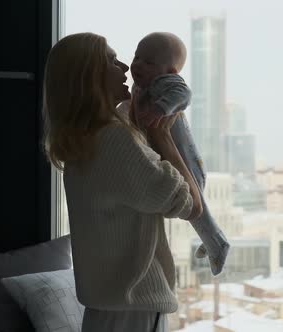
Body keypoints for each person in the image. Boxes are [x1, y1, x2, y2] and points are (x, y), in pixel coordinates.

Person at [42, 32, 199, 332]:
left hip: (106, 308)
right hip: (134, 306)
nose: (126, 67)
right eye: (112, 60)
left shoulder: (82, 141)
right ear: (91, 76)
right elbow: (190, 205)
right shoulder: (112, 139)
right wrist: (162, 135)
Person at [130, 32, 231, 276]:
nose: (137, 65)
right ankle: (211, 241)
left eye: (149, 62)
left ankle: (217, 244)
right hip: (174, 158)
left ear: (170, 72)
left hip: (184, 159)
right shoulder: (141, 86)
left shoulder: (163, 83)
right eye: (137, 57)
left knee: (195, 208)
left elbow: (183, 95)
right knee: (194, 210)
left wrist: (158, 110)